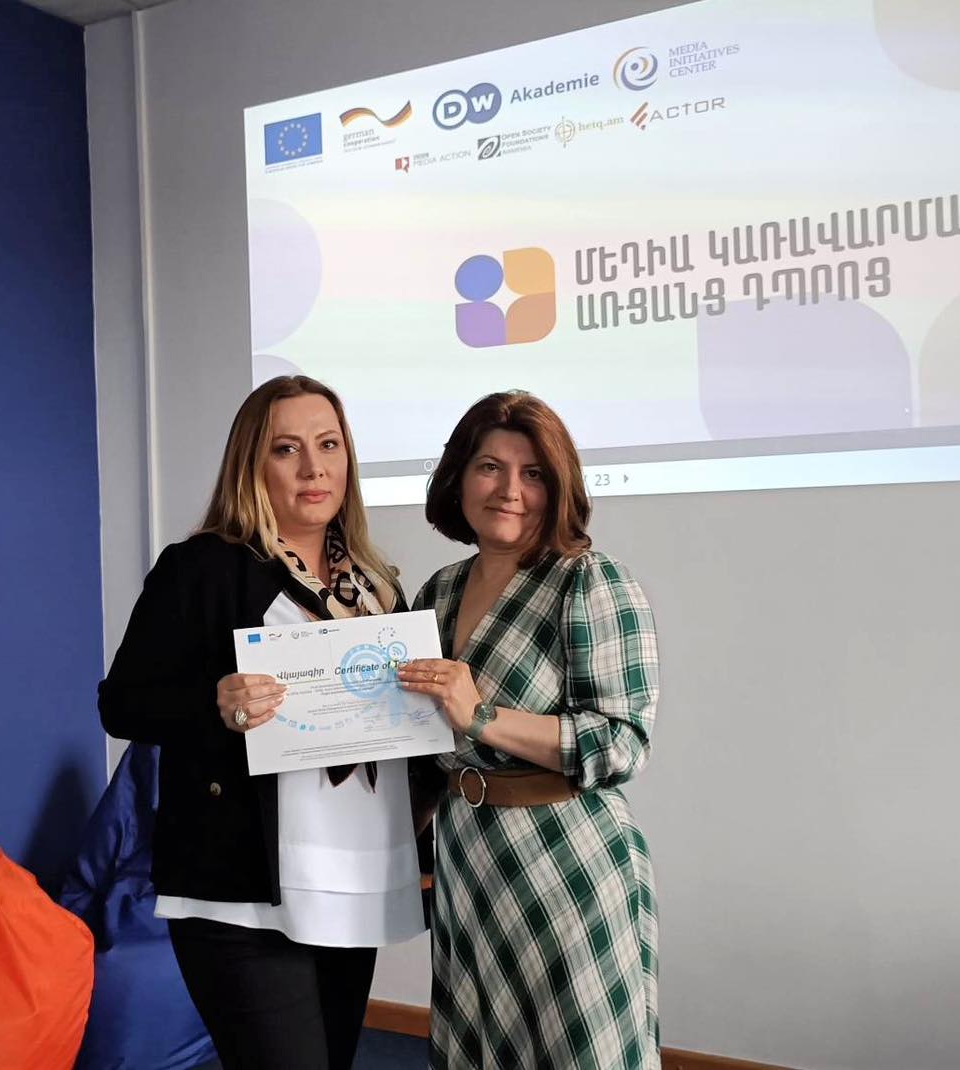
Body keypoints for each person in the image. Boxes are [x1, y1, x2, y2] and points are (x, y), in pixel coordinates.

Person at [98, 375, 424, 1070]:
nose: (313, 468)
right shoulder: (201, 568)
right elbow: (120, 703)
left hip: (355, 877)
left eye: (328, 445)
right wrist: (214, 702)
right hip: (241, 892)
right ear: (253, 463)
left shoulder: (377, 583)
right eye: (287, 449)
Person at [398, 390, 662, 1070]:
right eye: (489, 467)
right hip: (468, 858)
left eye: (533, 473)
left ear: (559, 485)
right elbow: (421, 743)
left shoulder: (591, 581)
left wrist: (482, 715)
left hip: (566, 861)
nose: (509, 490)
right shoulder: (438, 591)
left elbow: (622, 743)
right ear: (459, 478)